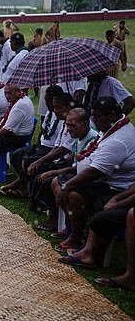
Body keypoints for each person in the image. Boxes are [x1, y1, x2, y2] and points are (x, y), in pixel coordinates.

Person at [51, 97, 135, 253]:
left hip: (114, 186)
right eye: (93, 116)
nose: (94, 121)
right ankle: (73, 226)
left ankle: (76, 237)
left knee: (73, 194)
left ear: (111, 115)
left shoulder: (118, 139)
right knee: (56, 181)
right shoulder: (111, 127)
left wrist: (67, 185)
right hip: (102, 179)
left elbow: (94, 172)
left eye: (97, 116)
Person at [32, 107, 98, 231]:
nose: (68, 129)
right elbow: (73, 160)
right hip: (77, 171)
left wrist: (54, 172)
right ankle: (63, 222)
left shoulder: (93, 139)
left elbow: (80, 168)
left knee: (51, 180)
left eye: (72, 125)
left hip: (89, 179)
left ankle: (63, 224)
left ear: (85, 124)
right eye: (67, 125)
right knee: (46, 176)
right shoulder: (80, 136)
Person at [0, 84, 36, 183]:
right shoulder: (21, 99)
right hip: (15, 133)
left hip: (19, 137)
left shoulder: (20, 105)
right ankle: (2, 165)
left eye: (10, 93)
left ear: (18, 92)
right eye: (5, 93)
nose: (7, 95)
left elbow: (8, 129)